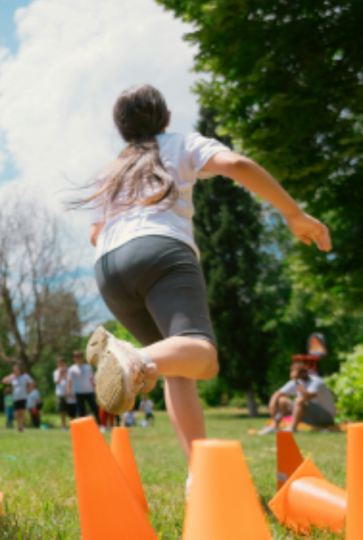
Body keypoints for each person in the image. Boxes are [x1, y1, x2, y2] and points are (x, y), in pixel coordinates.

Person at [80, 85, 330, 462]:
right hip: (159, 249)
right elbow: (237, 165)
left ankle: (201, 473)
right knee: (202, 354)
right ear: (165, 117)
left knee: (178, 367)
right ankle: (134, 359)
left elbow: (94, 233)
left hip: (109, 267)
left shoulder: (112, 170)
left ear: (123, 130)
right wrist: (293, 213)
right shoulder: (179, 143)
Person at [260, 362, 337, 434]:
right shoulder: (296, 382)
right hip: (309, 417)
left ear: (304, 373)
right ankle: (275, 426)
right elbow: (277, 393)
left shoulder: (316, 381)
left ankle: (292, 428)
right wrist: (272, 406)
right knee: (281, 401)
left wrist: (296, 381)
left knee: (299, 400)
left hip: (326, 417)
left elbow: (307, 397)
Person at [2, 365, 34, 433]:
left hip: (23, 397)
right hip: (15, 397)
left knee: (21, 412)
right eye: (14, 370)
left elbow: (32, 382)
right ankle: (19, 425)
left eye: (17, 369)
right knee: (16, 414)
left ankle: (21, 427)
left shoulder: (25, 376)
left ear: (20, 370)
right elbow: (3, 381)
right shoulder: (13, 378)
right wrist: (10, 376)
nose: (16, 371)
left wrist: (28, 390)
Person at [68, 350, 98, 419]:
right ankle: (82, 427)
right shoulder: (71, 369)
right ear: (74, 359)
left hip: (89, 390)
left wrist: (95, 389)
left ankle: (100, 424)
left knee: (94, 407)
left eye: (80, 357)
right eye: (76, 357)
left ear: (82, 358)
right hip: (78, 391)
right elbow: (69, 381)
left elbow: (92, 379)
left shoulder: (88, 367)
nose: (78, 358)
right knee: (81, 410)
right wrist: (69, 392)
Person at [54, 357, 74, 430]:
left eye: (63, 363)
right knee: (62, 411)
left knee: (71, 411)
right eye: (60, 363)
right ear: (57, 364)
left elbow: (69, 380)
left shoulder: (70, 371)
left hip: (69, 394)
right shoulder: (56, 372)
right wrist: (60, 373)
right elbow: (57, 382)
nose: (62, 365)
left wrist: (65, 374)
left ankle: (72, 426)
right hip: (60, 393)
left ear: (66, 363)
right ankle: (63, 426)